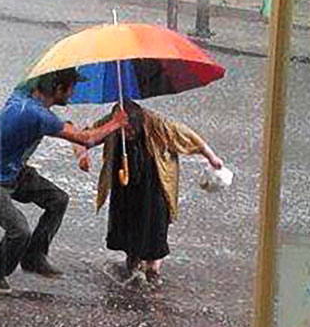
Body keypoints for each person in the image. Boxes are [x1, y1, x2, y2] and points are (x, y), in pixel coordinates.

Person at [0, 68, 128, 296]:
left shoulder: (23, 94)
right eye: (71, 88)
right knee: (19, 230)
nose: (72, 94)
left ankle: (33, 257)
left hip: (13, 171)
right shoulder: (37, 115)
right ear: (58, 89)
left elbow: (72, 130)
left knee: (58, 200)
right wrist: (116, 123)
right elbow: (87, 138)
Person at [75, 99, 223, 285]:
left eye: (129, 130)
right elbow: (84, 137)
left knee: (155, 225)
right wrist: (82, 155)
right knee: (128, 226)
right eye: (121, 130)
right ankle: (133, 267)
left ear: (138, 123)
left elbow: (190, 138)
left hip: (154, 181)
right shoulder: (112, 121)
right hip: (125, 182)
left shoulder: (157, 123)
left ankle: (154, 272)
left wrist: (212, 158)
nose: (125, 134)